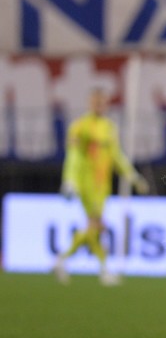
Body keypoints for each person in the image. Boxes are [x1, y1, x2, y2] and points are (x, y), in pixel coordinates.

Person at [54, 88, 149, 286]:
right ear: (90, 103)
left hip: (102, 185)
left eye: (102, 102)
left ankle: (62, 261)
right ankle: (103, 270)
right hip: (85, 183)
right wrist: (69, 180)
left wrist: (132, 176)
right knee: (97, 225)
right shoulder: (80, 126)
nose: (99, 105)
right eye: (96, 102)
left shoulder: (109, 127)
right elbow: (73, 155)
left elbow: (116, 156)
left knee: (94, 228)